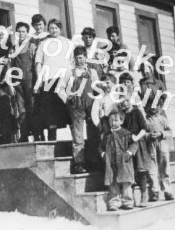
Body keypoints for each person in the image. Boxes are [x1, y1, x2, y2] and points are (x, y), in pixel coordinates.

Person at [59, 45, 99, 173]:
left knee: (93, 134)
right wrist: (67, 99)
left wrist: (98, 104)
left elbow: (98, 90)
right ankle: (79, 163)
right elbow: (60, 89)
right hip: (76, 107)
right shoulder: (69, 73)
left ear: (86, 58)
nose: (79, 61)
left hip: (91, 106)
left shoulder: (92, 72)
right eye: (76, 58)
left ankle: (94, 161)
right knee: (78, 136)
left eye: (81, 58)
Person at [34, 18, 73, 141]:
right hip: (49, 80)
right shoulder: (43, 44)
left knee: (68, 109)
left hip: (64, 80)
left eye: (56, 28)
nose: (53, 30)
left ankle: (75, 141)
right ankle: (52, 141)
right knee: (51, 113)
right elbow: (38, 63)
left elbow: (73, 62)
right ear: (48, 29)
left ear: (60, 29)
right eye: (51, 28)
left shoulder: (68, 43)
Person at [99, 110, 138, 211]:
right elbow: (101, 147)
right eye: (111, 120)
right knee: (113, 184)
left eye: (116, 120)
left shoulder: (126, 134)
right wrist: (103, 154)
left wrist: (129, 152)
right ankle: (114, 202)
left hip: (124, 163)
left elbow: (134, 144)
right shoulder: (106, 135)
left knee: (126, 183)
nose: (113, 123)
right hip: (111, 164)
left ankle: (128, 201)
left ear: (121, 121)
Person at [118, 98, 151, 207]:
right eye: (122, 101)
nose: (124, 103)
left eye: (127, 100)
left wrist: (136, 137)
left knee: (141, 171)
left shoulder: (136, 112)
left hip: (139, 143)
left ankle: (144, 195)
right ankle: (130, 199)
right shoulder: (121, 115)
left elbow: (144, 128)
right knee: (129, 171)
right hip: (127, 145)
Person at [11, 22, 37, 142]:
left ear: (27, 33)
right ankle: (24, 134)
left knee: (32, 107)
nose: (21, 34)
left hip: (30, 81)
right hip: (18, 82)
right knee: (21, 109)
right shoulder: (13, 47)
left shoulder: (31, 46)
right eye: (19, 31)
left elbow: (37, 64)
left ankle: (37, 134)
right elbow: (11, 65)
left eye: (23, 31)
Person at [145, 98, 175, 201]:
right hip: (150, 145)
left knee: (164, 167)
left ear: (159, 107)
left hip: (162, 144)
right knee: (152, 168)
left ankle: (167, 190)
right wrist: (148, 135)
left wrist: (161, 134)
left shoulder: (162, 119)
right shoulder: (145, 120)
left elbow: (169, 132)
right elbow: (140, 133)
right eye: (151, 105)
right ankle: (155, 191)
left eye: (156, 105)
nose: (153, 108)